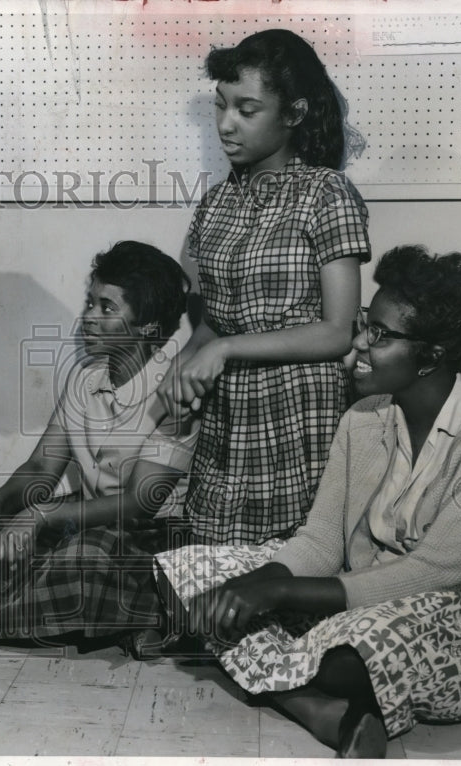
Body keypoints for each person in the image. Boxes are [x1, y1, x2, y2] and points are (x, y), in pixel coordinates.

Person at [154, 246, 461, 757]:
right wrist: (253, 582)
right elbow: (322, 539)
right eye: (363, 324)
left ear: (433, 355)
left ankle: (292, 681)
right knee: (186, 576)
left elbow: (435, 574)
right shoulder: (364, 417)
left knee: (354, 653)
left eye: (379, 334)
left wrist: (278, 596)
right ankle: (320, 708)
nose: (356, 343)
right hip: (358, 595)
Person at [0, 241, 198, 644]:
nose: (88, 318)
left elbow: (139, 502)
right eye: (89, 302)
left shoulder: (175, 390)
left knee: (86, 559)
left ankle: (145, 611)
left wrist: (39, 517)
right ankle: (77, 616)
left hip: (149, 534)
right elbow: (41, 467)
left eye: (107, 308)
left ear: (147, 326)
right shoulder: (86, 378)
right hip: (86, 520)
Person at [158, 29, 370, 546]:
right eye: (221, 106)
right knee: (212, 575)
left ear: (294, 114)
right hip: (231, 411)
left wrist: (226, 348)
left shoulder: (327, 193)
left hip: (298, 411)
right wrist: (182, 365)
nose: (227, 124)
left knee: (289, 565)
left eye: (247, 110)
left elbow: (338, 331)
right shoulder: (214, 205)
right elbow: (212, 321)